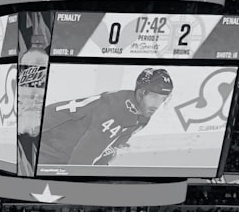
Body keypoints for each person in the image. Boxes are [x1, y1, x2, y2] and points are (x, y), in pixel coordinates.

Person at [39, 67, 174, 166]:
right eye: (154, 96)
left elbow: (108, 147)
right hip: (45, 142)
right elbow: (82, 159)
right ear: (140, 93)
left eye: (163, 98)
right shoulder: (115, 114)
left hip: (60, 147)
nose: (157, 104)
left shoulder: (142, 112)